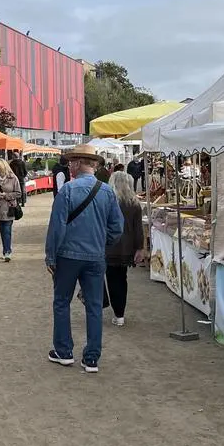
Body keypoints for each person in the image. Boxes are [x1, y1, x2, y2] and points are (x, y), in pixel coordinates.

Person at [45, 144, 124, 373]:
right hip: (95, 256)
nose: (69, 165)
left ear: (79, 163)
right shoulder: (107, 191)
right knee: (94, 306)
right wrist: (101, 242)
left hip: (68, 256)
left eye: (71, 162)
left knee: (62, 302)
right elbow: (117, 228)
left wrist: (51, 256)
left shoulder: (67, 191)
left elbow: (56, 228)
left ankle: (64, 351)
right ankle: (91, 358)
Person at [104, 172, 144, 326]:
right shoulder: (134, 203)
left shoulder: (107, 202)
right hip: (127, 248)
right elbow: (138, 229)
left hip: (109, 246)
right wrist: (139, 248)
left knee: (111, 279)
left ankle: (116, 312)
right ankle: (120, 313)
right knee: (122, 279)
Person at [0, 158, 22, 261]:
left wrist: (7, 195)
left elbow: (18, 193)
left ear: (3, 166)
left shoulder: (13, 178)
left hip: (9, 208)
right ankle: (5, 250)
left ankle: (7, 252)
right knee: (2, 230)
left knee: (7, 229)